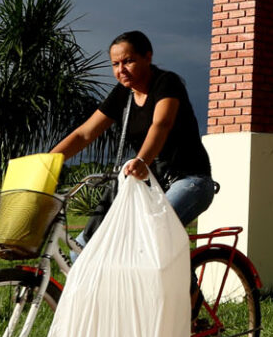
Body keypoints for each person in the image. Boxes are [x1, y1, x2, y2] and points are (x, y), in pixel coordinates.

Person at [50, 31, 216, 234]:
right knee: (92, 239)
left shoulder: (166, 83)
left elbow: (161, 124)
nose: (121, 70)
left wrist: (142, 160)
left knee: (148, 234)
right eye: (115, 64)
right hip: (150, 182)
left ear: (148, 57)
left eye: (128, 61)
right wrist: (49, 161)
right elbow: (84, 134)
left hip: (189, 181)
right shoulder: (123, 93)